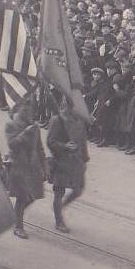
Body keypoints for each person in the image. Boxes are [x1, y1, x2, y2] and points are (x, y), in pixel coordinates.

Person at [5, 100, 47, 239]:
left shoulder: (34, 126)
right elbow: (12, 145)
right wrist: (24, 134)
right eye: (27, 110)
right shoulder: (11, 125)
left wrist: (44, 167)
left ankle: (15, 216)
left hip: (33, 166)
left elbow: (40, 148)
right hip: (19, 166)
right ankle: (18, 227)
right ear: (20, 110)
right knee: (22, 197)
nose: (30, 113)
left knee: (32, 196)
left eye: (31, 110)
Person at [47, 98, 89, 233]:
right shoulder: (57, 120)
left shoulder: (79, 121)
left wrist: (85, 158)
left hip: (76, 162)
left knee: (78, 189)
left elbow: (82, 141)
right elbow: (50, 142)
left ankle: (60, 207)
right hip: (61, 161)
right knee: (59, 192)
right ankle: (59, 220)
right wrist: (64, 146)